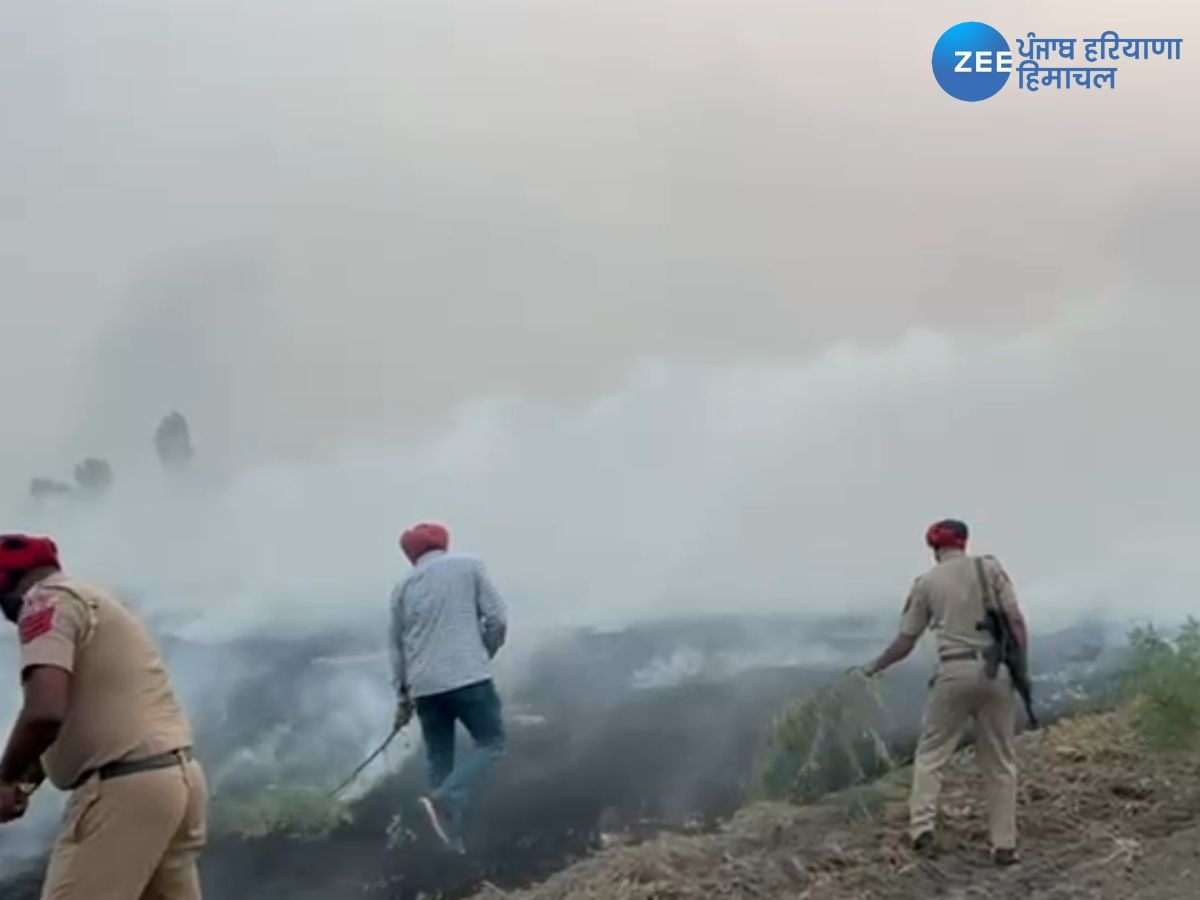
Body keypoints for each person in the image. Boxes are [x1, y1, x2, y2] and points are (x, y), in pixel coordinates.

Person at [0, 534, 207, 899]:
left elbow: (44, 715)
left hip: (123, 792)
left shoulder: (43, 604)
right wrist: (25, 782)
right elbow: (84, 718)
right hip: (176, 778)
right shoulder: (93, 599)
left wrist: (4, 778)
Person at [861, 519, 1028, 866]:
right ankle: (1004, 845)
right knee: (1000, 762)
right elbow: (1015, 620)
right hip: (995, 670)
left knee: (931, 754)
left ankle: (922, 829)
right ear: (964, 543)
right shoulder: (989, 568)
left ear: (934, 548)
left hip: (953, 671)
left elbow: (906, 641)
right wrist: (1020, 667)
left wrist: (874, 667)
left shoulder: (926, 583)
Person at [389, 522, 508, 853]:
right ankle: (445, 800)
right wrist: (484, 651)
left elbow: (397, 649)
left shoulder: (402, 588)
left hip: (424, 688)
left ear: (411, 553)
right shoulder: (470, 566)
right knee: (491, 743)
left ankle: (449, 838)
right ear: (444, 542)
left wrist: (402, 699)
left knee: (440, 759)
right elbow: (497, 619)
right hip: (468, 677)